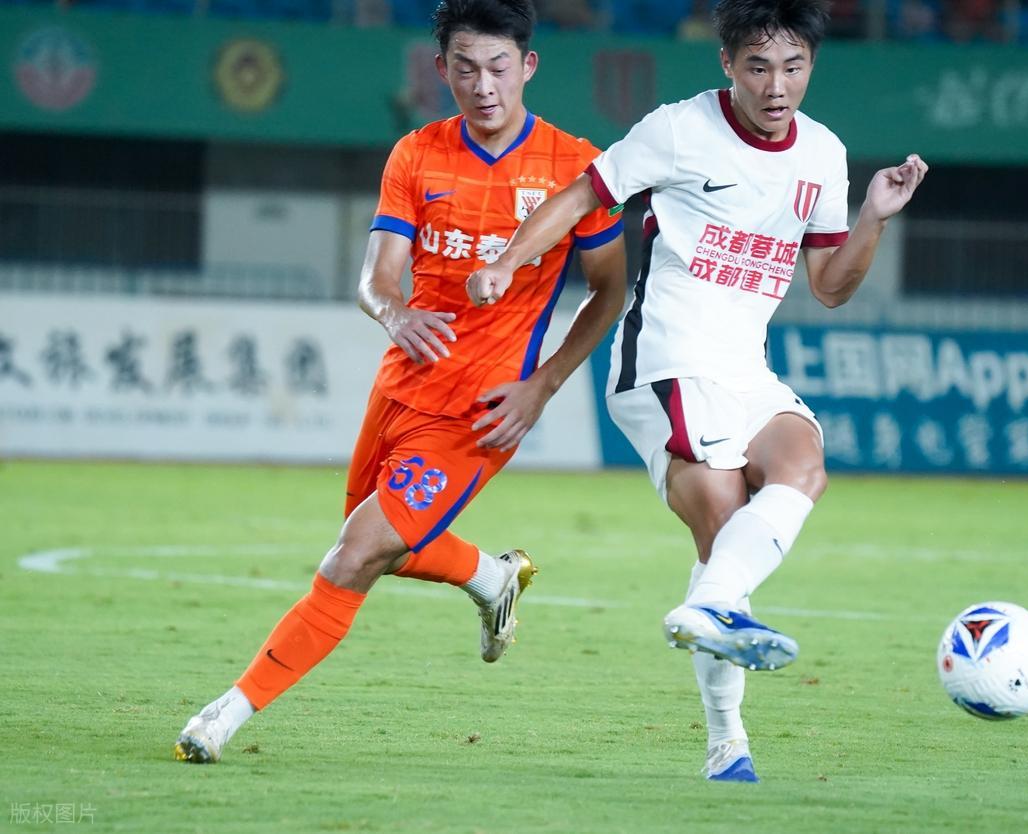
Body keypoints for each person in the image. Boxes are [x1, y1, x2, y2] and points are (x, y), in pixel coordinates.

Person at [467, 0, 927, 781]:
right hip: (664, 359)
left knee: (801, 467)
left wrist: (875, 219)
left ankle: (720, 714)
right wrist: (508, 262)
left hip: (745, 367)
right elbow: (579, 198)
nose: (776, 86)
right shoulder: (679, 130)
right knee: (721, 518)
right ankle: (728, 733)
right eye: (758, 66)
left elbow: (830, 286)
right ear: (727, 63)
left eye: (793, 67)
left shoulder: (822, 153)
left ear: (812, 65)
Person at [173, 0, 626, 764]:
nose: (483, 85)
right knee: (378, 547)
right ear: (441, 69)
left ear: (528, 65)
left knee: (353, 555)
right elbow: (376, 278)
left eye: (498, 67)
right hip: (402, 387)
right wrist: (394, 312)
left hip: (483, 407)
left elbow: (609, 291)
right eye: (465, 68)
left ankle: (225, 715)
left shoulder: (574, 167)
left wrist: (543, 386)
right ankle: (490, 577)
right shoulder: (417, 154)